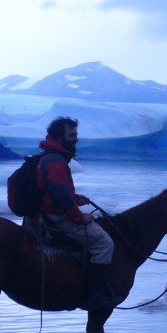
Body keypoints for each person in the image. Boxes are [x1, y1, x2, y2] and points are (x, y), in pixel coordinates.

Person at [36, 116, 122, 310]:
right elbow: (59, 194)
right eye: (72, 135)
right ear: (59, 137)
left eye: (76, 134)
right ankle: (94, 296)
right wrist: (78, 216)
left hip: (48, 210)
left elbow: (56, 190)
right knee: (104, 244)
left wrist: (74, 197)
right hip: (55, 215)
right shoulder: (56, 161)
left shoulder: (50, 157)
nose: (76, 138)